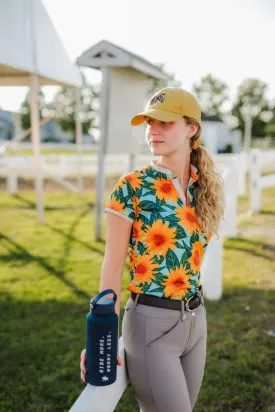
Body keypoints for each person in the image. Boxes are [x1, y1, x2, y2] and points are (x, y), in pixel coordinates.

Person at [80, 87, 225, 411]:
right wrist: (100, 336)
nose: (152, 130)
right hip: (151, 324)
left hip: (195, 322)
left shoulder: (204, 187)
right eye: (149, 123)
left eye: (164, 123)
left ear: (192, 129)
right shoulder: (133, 186)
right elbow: (113, 266)